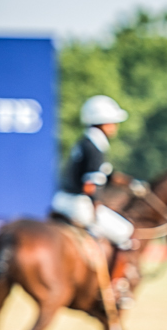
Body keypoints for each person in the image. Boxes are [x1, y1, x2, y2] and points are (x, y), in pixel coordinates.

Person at [51, 95, 146, 298]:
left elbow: (106, 174)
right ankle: (115, 288)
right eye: (113, 122)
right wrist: (95, 210)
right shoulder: (96, 147)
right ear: (103, 122)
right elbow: (90, 185)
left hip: (61, 200)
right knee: (126, 231)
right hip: (78, 204)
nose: (116, 126)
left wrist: (131, 183)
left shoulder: (86, 141)